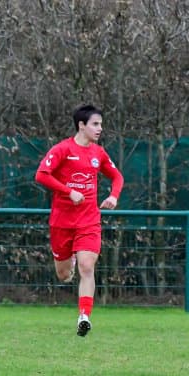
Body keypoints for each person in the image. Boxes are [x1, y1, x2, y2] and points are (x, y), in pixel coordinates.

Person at [35, 104, 124, 337]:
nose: (100, 129)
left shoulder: (98, 153)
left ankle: (84, 316)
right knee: (64, 275)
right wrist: (68, 191)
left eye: (101, 124)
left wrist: (113, 196)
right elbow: (41, 175)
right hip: (62, 222)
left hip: (89, 221)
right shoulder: (63, 149)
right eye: (95, 124)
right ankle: (70, 262)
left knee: (87, 266)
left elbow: (117, 176)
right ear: (81, 125)